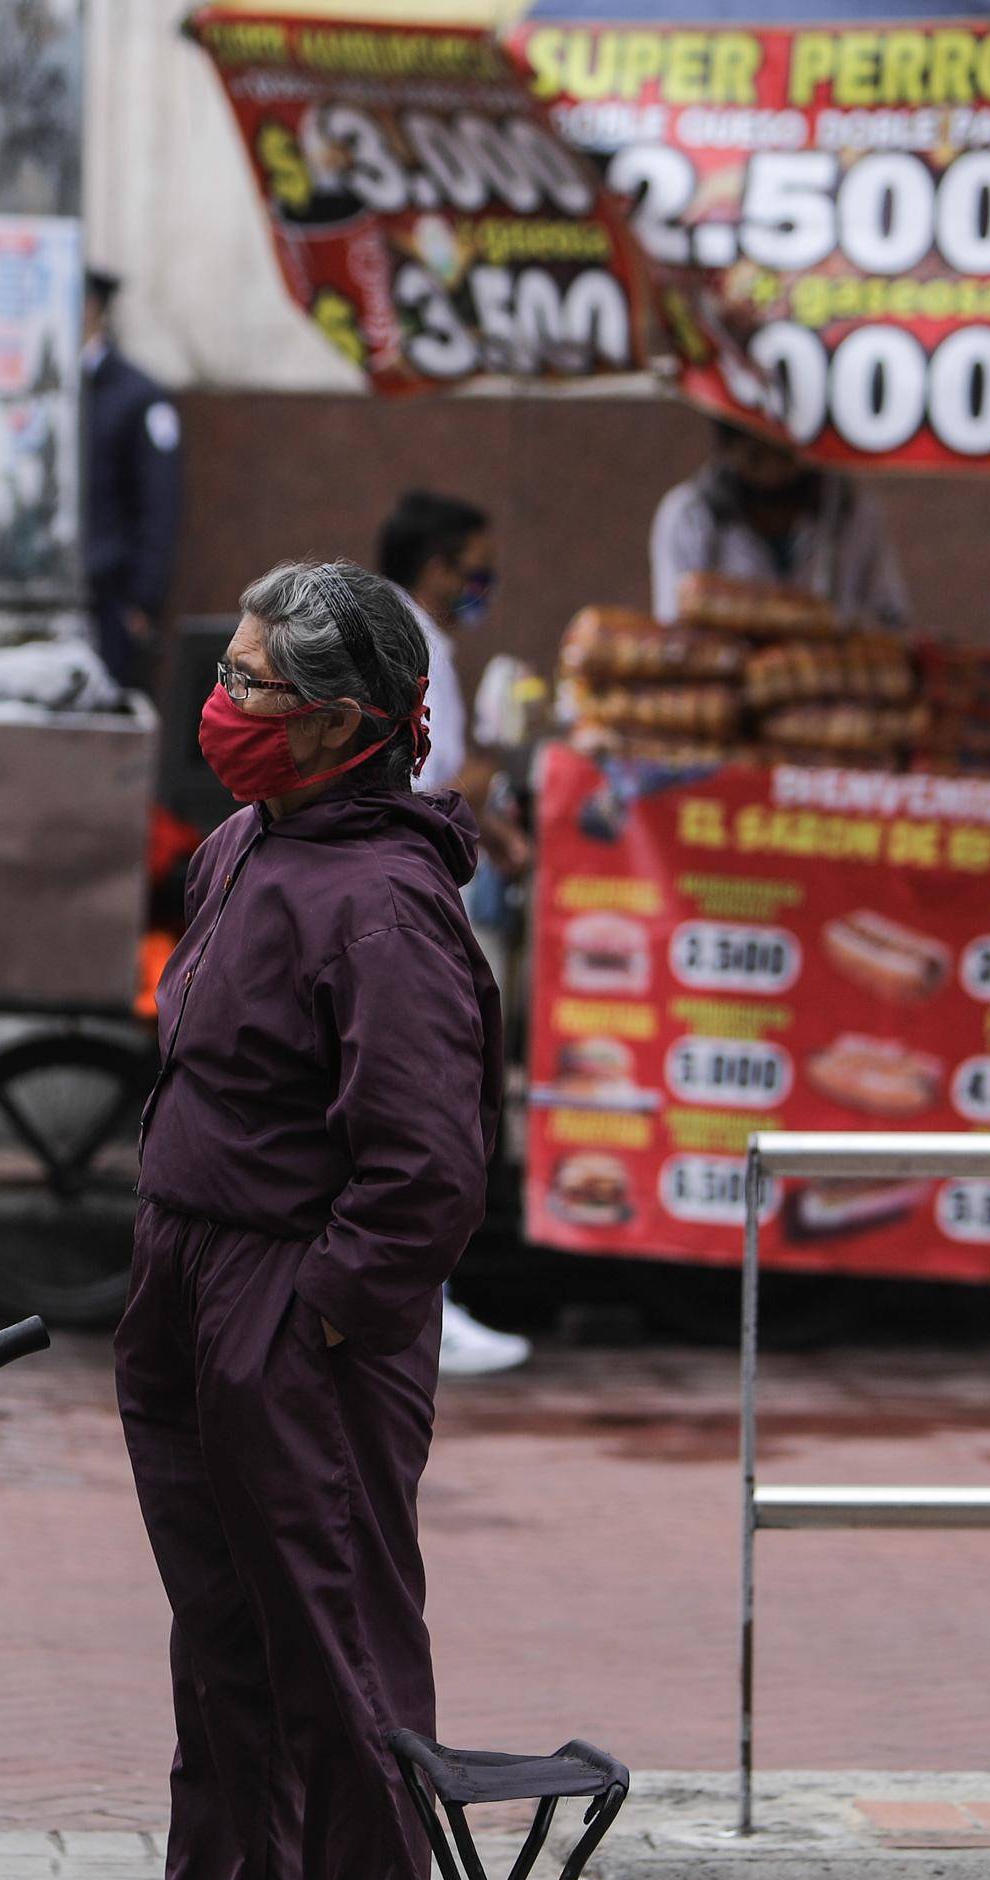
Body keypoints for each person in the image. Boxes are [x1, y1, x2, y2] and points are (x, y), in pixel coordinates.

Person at [25, 561, 499, 1880]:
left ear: (347, 722)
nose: (218, 704)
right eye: (224, 669)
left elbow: (426, 1171)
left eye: (251, 684)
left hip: (297, 1315)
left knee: (337, 1643)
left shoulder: (388, 901)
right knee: (220, 1637)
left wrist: (315, 1314)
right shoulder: (242, 844)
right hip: (189, 1286)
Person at [366, 491, 535, 1378]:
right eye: (475, 568)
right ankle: (421, 1309)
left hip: (407, 901)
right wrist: (498, 756)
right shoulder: (413, 644)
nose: (483, 584)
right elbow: (429, 783)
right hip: (408, 909)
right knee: (420, 1121)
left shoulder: (403, 632)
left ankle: (419, 1301)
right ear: (436, 565)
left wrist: (496, 834)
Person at [650, 420, 910, 630]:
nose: (772, 474)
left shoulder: (851, 510)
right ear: (729, 450)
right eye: (756, 457)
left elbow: (889, 615)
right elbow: (673, 623)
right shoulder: (689, 516)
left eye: (784, 455)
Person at [79, 269, 181, 695]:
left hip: (112, 592)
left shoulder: (136, 396)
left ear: (92, 309)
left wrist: (143, 597)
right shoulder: (47, 385)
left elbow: (159, 503)